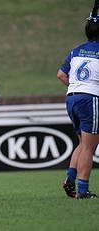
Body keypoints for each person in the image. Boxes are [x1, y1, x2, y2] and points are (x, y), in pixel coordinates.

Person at [57, 1, 99, 199]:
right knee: (90, 147)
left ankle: (70, 180)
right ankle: (82, 190)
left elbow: (61, 74)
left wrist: (77, 87)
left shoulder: (76, 51)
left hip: (72, 99)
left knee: (83, 144)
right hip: (90, 100)